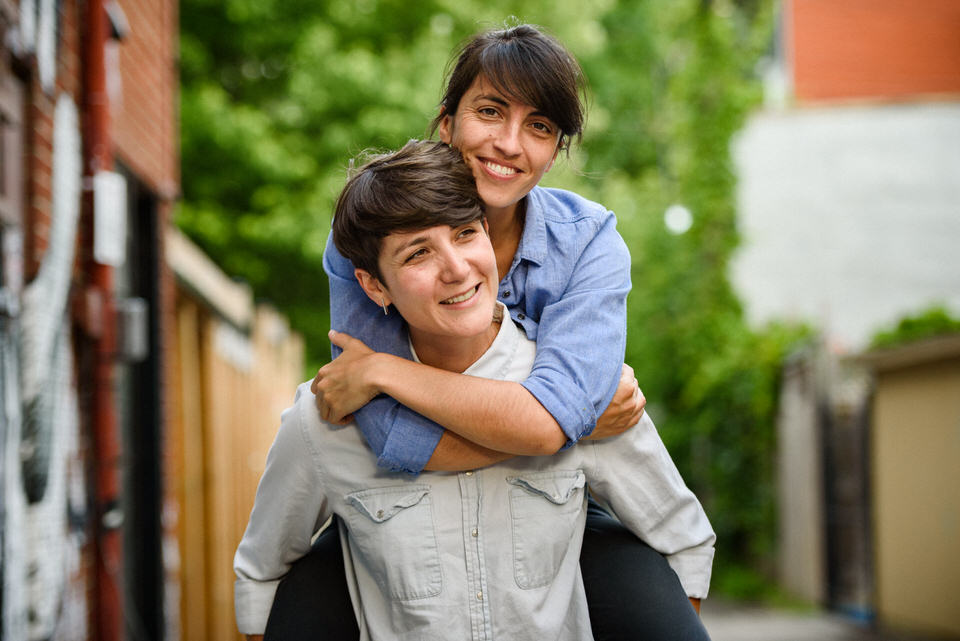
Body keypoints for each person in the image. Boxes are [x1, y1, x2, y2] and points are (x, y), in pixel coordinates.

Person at [235, 140, 715, 640]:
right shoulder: (325, 423)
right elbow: (260, 579)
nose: (457, 268)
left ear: (488, 234)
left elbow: (683, 541)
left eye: (465, 234)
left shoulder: (582, 397)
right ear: (374, 286)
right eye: (418, 253)